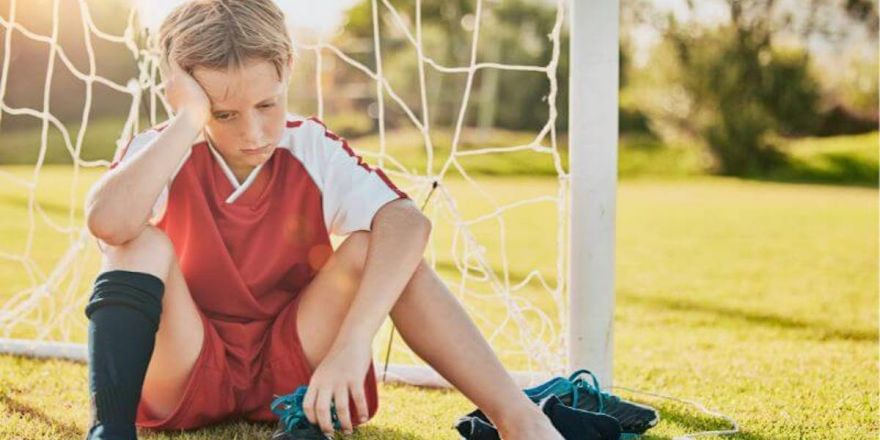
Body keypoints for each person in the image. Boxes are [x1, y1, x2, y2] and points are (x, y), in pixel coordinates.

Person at [82, 1, 567, 438]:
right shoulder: (162, 150)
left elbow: (407, 223)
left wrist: (353, 344)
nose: (252, 133)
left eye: (266, 105)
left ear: (289, 68)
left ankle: (521, 421)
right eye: (224, 114)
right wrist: (189, 121)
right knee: (138, 243)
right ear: (184, 93)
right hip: (186, 370)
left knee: (379, 247)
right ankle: (111, 431)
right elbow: (109, 223)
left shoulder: (308, 147)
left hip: (297, 370)